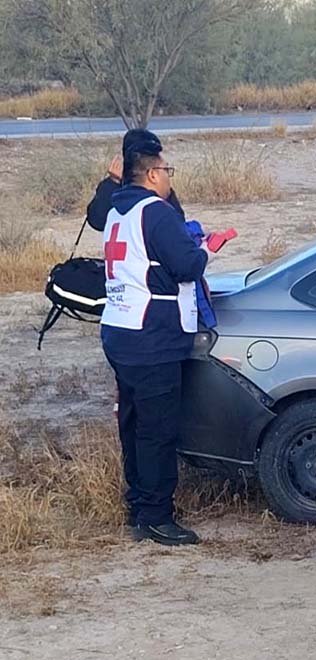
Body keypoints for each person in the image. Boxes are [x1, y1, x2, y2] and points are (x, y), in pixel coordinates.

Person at [100, 131, 213, 545]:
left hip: (120, 329)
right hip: (152, 336)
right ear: (151, 174)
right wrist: (208, 249)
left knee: (133, 426)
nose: (169, 177)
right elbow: (186, 265)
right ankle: (156, 517)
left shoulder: (116, 211)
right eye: (167, 170)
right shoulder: (156, 213)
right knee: (158, 430)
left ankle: (138, 506)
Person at [87, 129, 184, 232]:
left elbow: (178, 220)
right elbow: (97, 221)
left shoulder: (160, 184)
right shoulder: (112, 185)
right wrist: (113, 182)